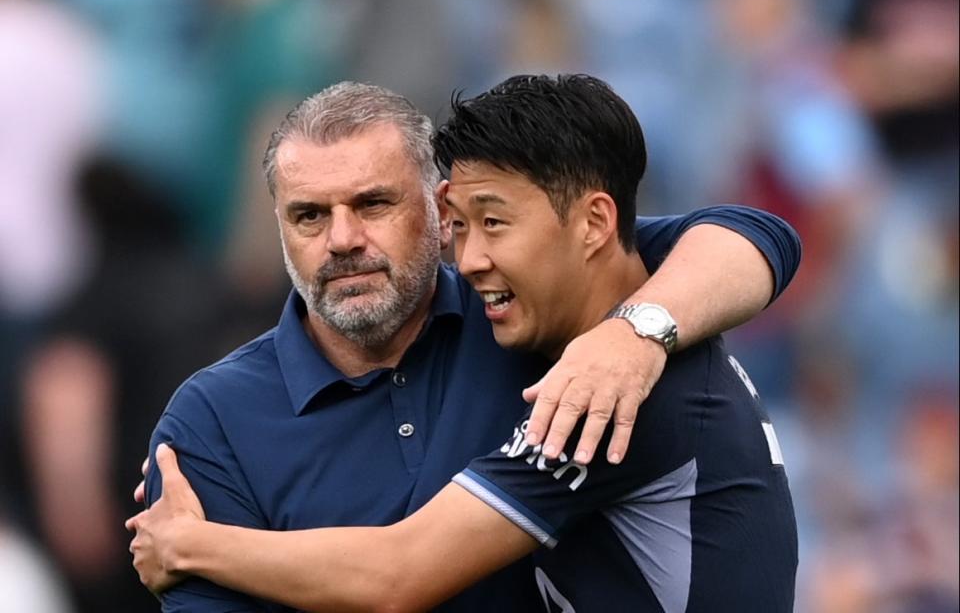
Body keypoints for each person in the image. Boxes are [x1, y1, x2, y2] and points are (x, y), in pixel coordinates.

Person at [128, 78, 800, 611]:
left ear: (434, 208)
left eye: (372, 205)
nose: (341, 239)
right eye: (309, 214)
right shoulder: (211, 423)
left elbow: (398, 574)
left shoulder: (600, 378)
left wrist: (194, 545)